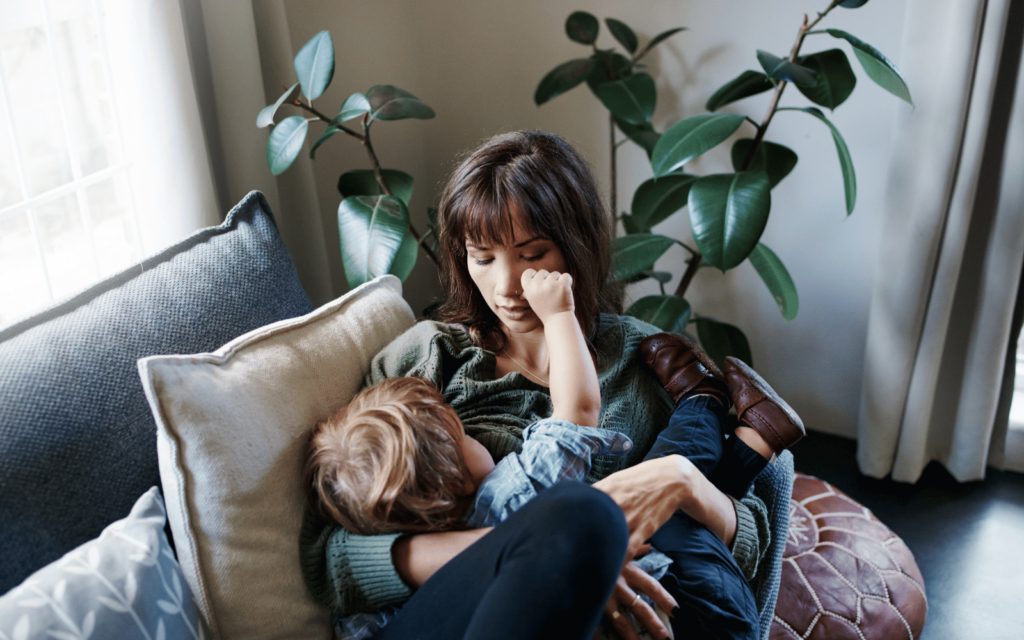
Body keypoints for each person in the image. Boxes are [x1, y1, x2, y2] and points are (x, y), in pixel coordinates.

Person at [299, 131, 805, 640]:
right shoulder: (425, 360)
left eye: (532, 254)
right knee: (579, 516)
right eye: (483, 256)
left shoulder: (644, 359)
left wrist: (680, 481)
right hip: (444, 619)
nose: (507, 287)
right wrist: (551, 557)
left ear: (577, 247)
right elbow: (332, 557)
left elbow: (750, 543)